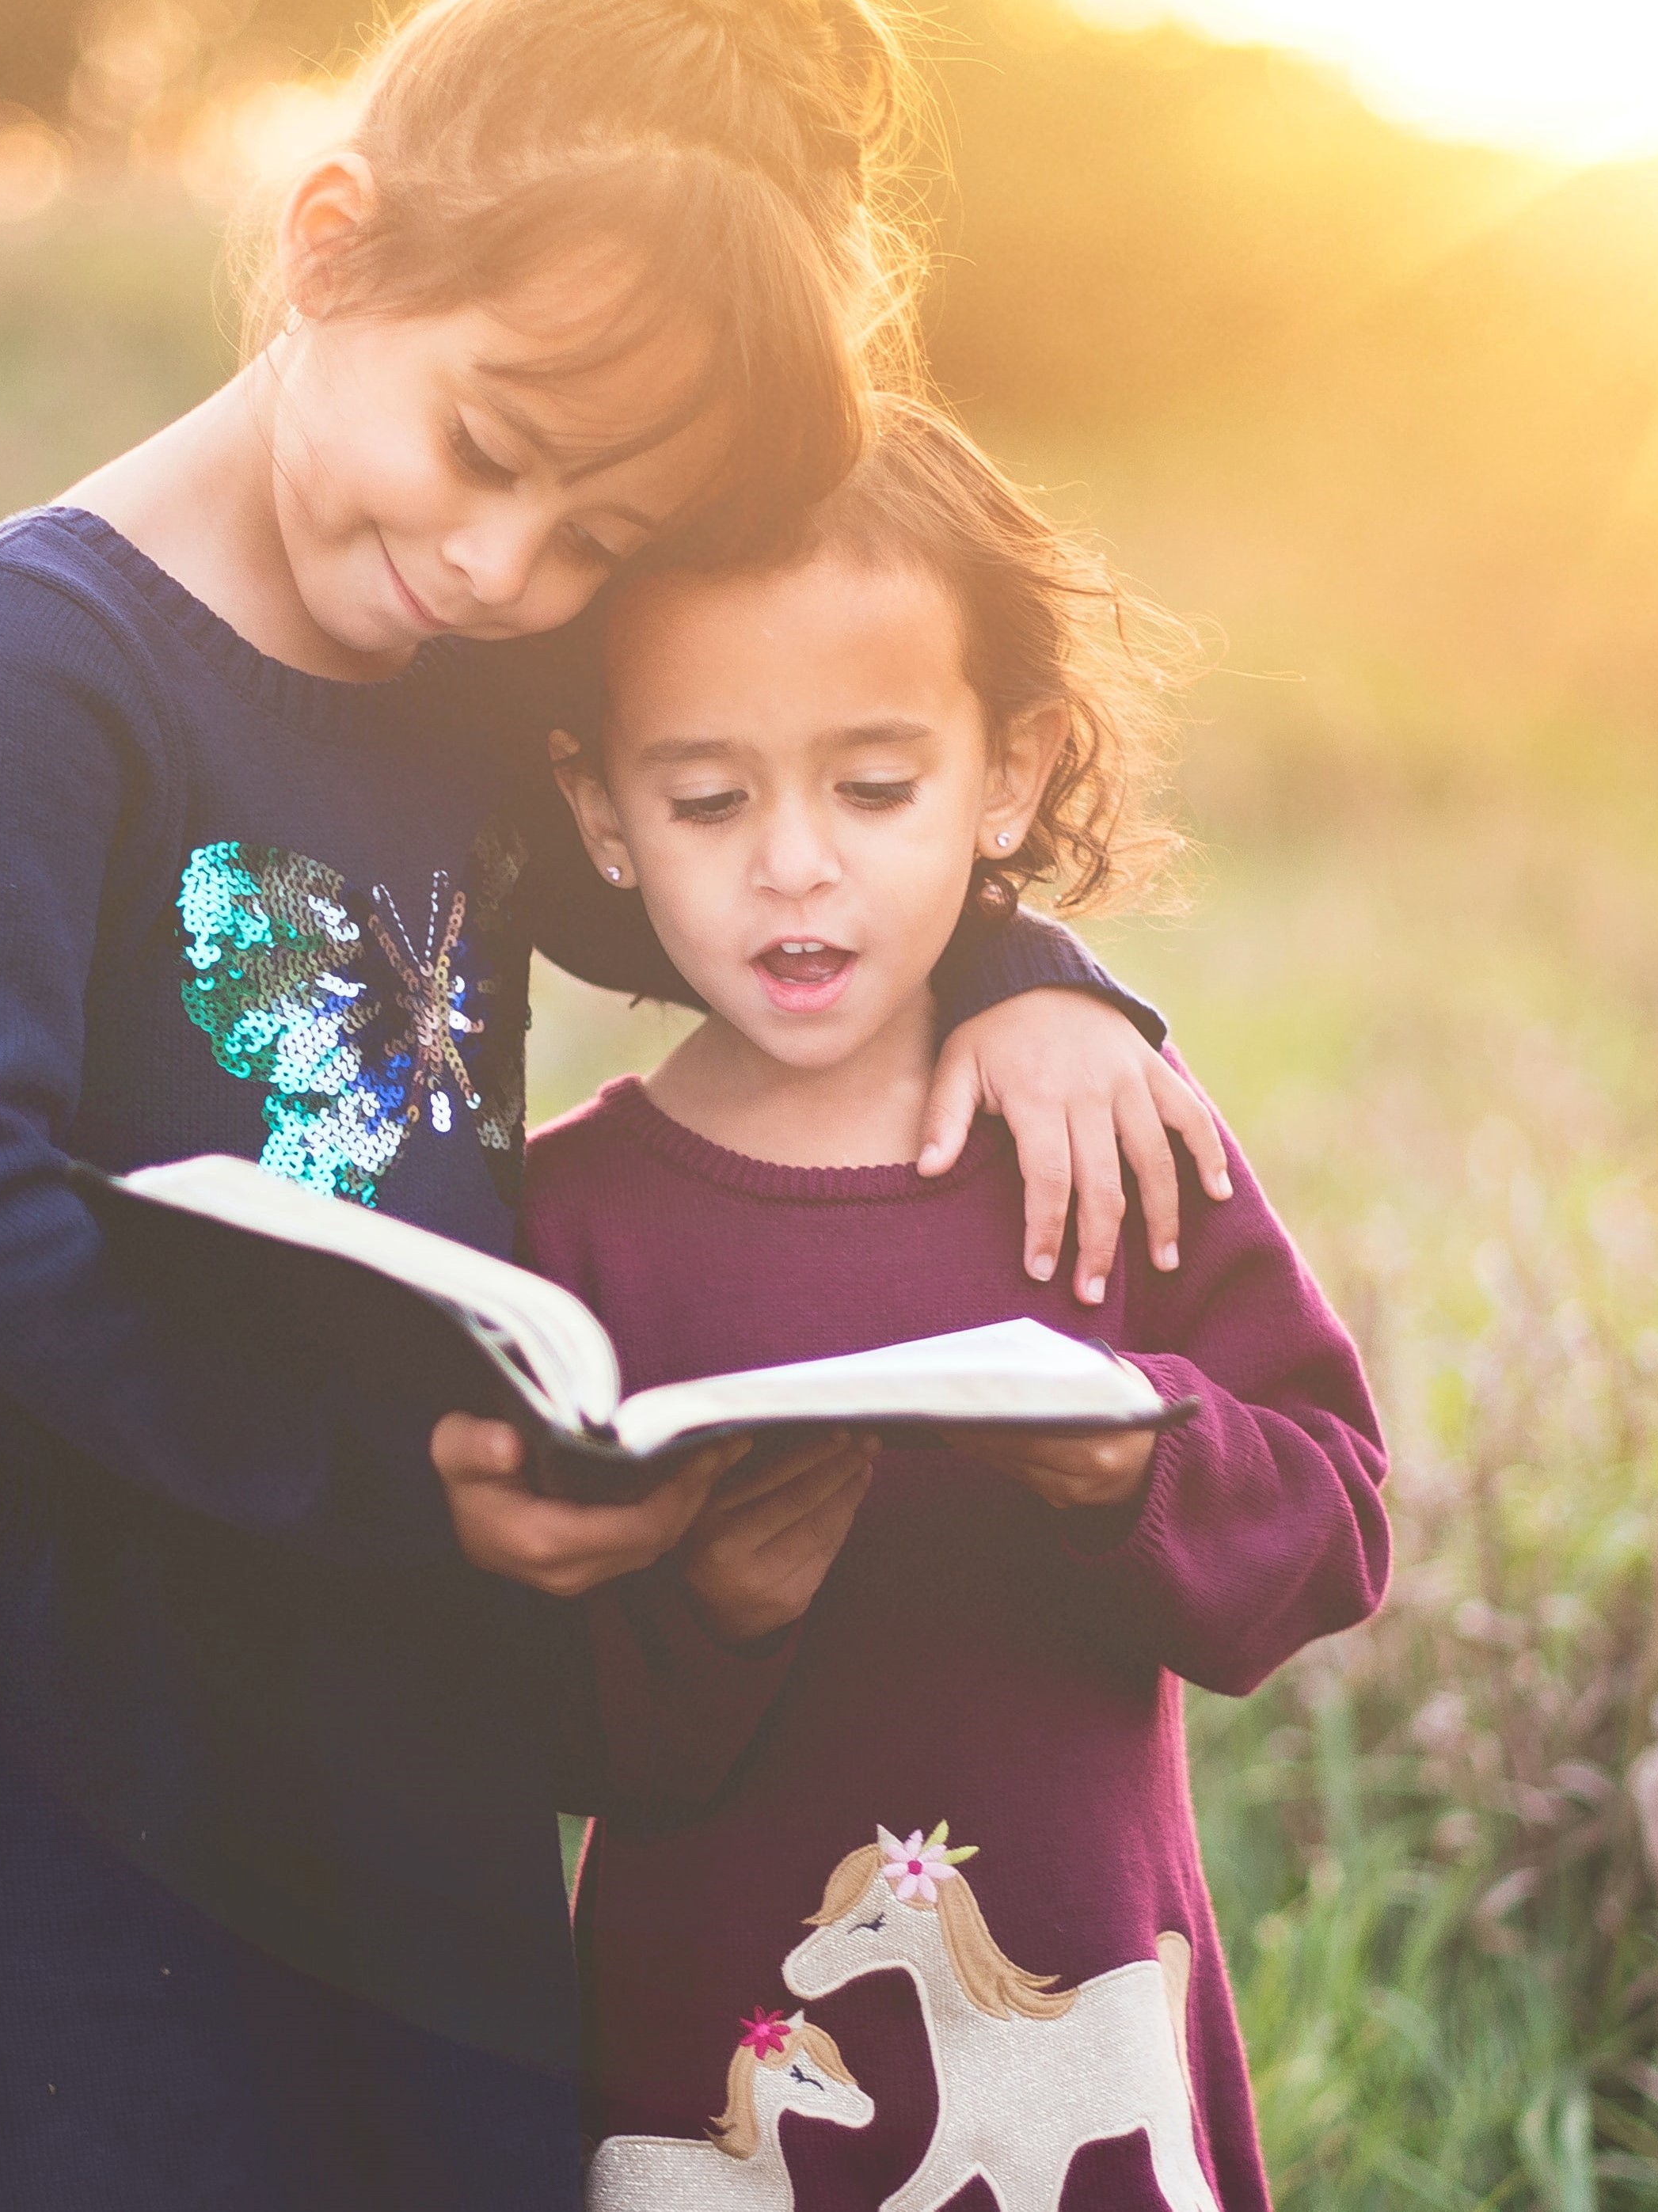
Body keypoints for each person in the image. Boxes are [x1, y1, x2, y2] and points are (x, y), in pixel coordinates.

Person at [0, 0, 1220, 2211]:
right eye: (487, 449)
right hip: (89, 1668)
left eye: (595, 540)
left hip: (410, 1646)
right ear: (330, 245)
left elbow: (747, 912)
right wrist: (388, 1495)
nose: (498, 567)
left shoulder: (465, 686)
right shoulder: (38, 665)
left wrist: (1026, 974)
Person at [510, 398, 1391, 2212]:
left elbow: (1335, 1521)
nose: (795, 862)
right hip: (714, 2062)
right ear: (600, 805)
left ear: (1009, 769)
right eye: (705, 796)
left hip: (1077, 2018)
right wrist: (710, 1609)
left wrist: (1131, 1461)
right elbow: (514, 1714)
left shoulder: (1101, 1133)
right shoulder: (567, 1221)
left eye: (876, 785)